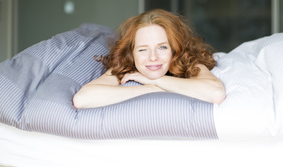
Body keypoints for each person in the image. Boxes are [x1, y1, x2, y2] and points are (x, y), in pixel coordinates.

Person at [73, 9, 226, 109]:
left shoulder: (187, 60)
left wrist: (155, 80)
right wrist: (150, 89)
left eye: (162, 47)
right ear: (132, 52)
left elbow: (216, 93)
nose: (153, 58)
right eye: (143, 49)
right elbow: (82, 99)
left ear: (175, 49)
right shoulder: (128, 65)